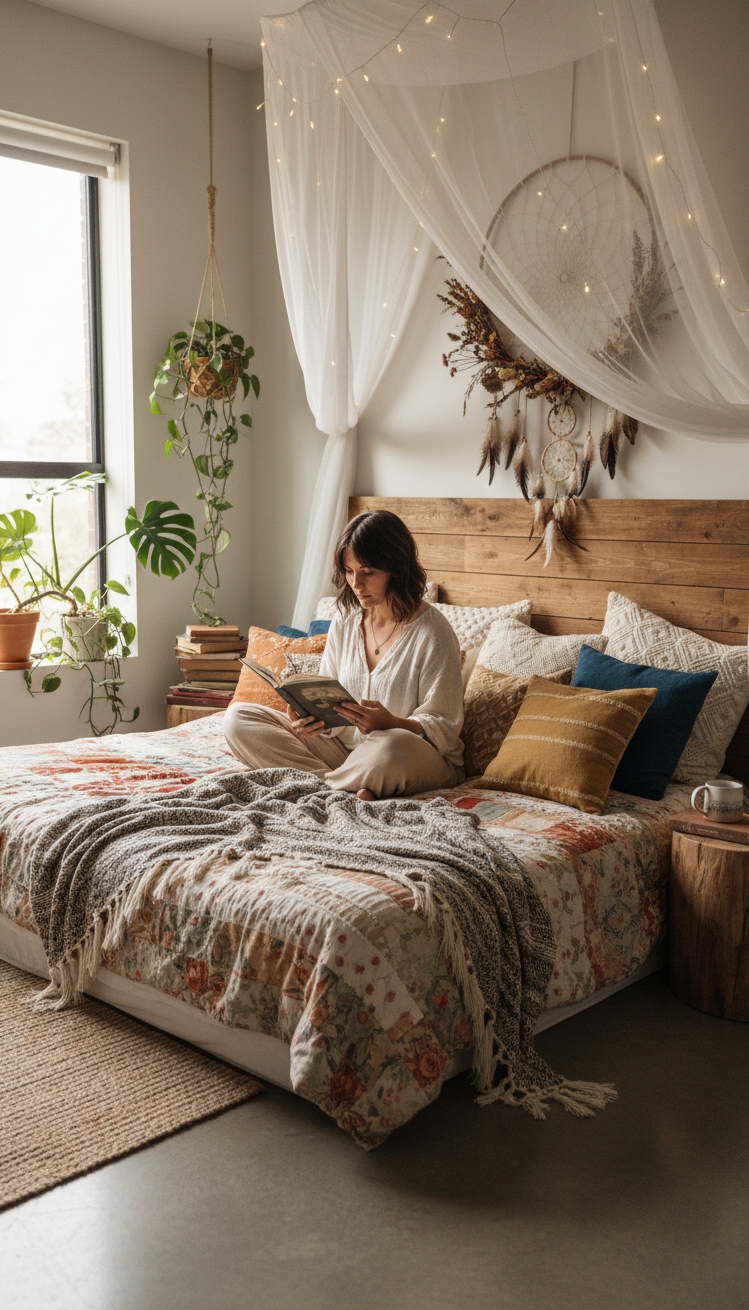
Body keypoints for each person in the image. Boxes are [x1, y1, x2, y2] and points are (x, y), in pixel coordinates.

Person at [223, 510, 465, 800]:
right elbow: (329, 695)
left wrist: (391, 723)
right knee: (239, 719)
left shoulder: (433, 632)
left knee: (391, 748)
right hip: (344, 754)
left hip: (410, 756)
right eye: (349, 571)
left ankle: (321, 786)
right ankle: (338, 789)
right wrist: (313, 719)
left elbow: (444, 727)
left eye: (368, 572)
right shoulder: (346, 619)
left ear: (396, 568)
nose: (356, 584)